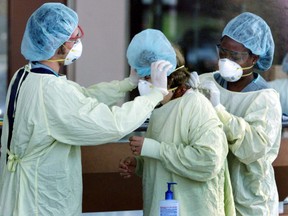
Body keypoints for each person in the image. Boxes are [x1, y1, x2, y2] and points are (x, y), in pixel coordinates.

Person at [0, 3, 174, 216]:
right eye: (73, 40)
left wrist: (128, 83)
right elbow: (112, 124)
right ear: (58, 46)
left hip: (21, 194)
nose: (78, 44)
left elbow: (81, 98)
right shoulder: (51, 91)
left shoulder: (26, 75)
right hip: (38, 201)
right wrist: (155, 94)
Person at [119, 44, 236, 216]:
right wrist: (139, 165)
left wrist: (154, 149)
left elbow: (209, 160)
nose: (142, 83)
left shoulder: (195, 104)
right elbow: (165, 164)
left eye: (147, 77)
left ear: (168, 76)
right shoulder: (160, 108)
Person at [190, 12, 282, 215]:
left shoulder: (265, 99)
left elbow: (252, 149)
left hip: (249, 199)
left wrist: (218, 111)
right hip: (211, 194)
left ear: (254, 57)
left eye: (235, 56)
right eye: (222, 52)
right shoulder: (206, 83)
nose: (225, 60)